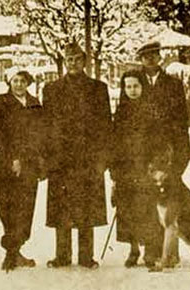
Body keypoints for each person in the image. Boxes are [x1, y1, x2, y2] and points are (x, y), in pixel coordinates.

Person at [42, 41, 113, 269]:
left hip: (88, 158)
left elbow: (105, 127)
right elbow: (45, 126)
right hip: (61, 158)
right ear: (64, 61)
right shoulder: (51, 89)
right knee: (61, 207)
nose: (72, 63)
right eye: (69, 59)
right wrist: (47, 158)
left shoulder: (98, 88)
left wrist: (103, 159)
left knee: (86, 207)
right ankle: (62, 255)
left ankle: (85, 256)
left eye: (77, 59)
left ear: (84, 61)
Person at [137, 41, 190, 267]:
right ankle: (152, 251)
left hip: (168, 150)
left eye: (154, 55)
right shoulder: (134, 81)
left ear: (159, 57)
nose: (150, 60)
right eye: (145, 56)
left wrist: (181, 153)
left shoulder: (173, 84)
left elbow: (181, 119)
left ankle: (172, 253)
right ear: (140, 59)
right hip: (144, 151)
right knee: (148, 202)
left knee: (170, 200)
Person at [0, 67, 45, 272]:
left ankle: (15, 251)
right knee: (8, 206)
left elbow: (41, 134)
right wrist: (12, 157)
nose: (19, 84)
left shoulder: (35, 104)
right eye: (15, 80)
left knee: (26, 208)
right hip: (7, 164)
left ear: (28, 83)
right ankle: (10, 254)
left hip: (30, 165)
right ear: (9, 82)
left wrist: (40, 161)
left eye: (22, 80)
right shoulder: (0, 103)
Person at [110, 70, 165, 268]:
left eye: (136, 86)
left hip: (146, 168)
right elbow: (114, 143)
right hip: (126, 169)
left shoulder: (152, 110)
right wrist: (115, 171)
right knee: (128, 210)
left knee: (148, 210)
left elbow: (160, 141)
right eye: (128, 87)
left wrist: (156, 164)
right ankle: (133, 249)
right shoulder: (121, 112)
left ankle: (151, 251)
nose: (132, 90)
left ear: (143, 87)